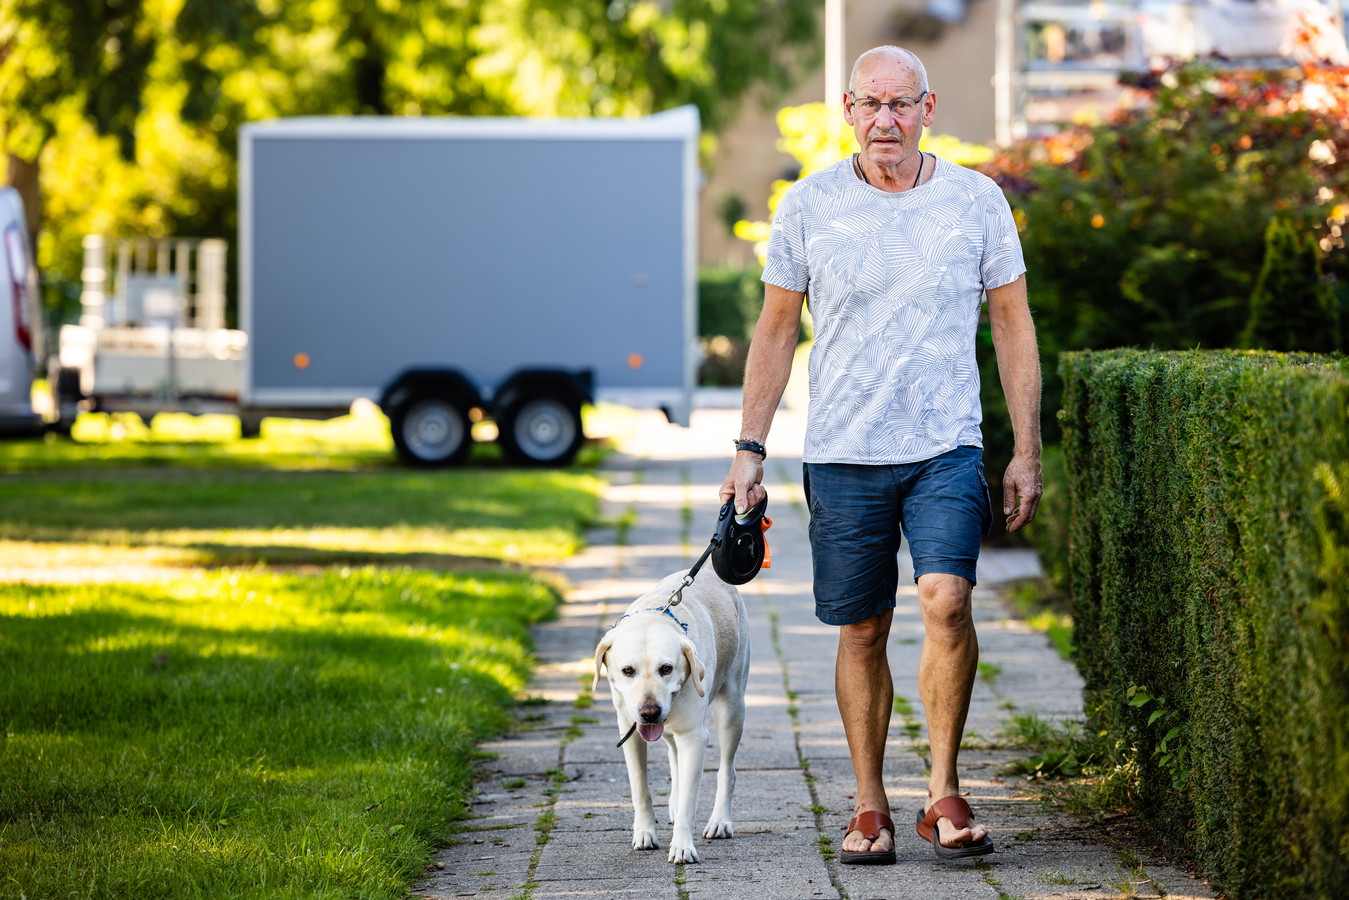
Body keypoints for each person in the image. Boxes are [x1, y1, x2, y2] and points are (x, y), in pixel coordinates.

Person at [719, 45, 1042, 863]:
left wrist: (1024, 447)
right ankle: (869, 805)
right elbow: (775, 330)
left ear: (927, 109)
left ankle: (942, 793)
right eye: (870, 105)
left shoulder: (976, 202)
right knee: (861, 628)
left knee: (945, 599)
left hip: (944, 443)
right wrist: (748, 448)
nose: (885, 121)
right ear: (848, 109)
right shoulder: (807, 205)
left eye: (901, 105)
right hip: (842, 449)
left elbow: (1011, 323)